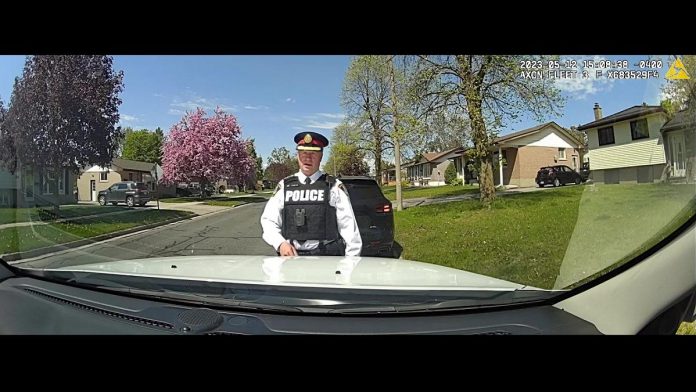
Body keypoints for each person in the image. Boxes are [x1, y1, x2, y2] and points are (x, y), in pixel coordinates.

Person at [260, 131, 362, 256]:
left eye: (313, 154)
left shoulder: (333, 186)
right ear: (297, 155)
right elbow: (269, 220)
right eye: (303, 153)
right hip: (290, 260)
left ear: (321, 157)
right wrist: (280, 243)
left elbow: (349, 228)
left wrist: (350, 265)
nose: (307, 158)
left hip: (327, 259)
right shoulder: (284, 186)